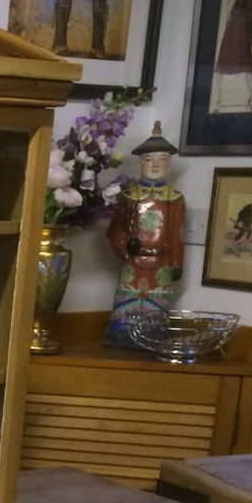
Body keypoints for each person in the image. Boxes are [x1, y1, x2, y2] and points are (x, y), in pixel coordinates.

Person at [104, 123, 185, 347]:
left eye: (162, 158)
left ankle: (154, 332)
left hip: (163, 262)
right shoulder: (128, 196)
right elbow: (114, 229)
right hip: (133, 260)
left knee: (157, 301)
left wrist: (177, 262)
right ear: (140, 163)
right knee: (128, 297)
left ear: (169, 162)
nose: (156, 164)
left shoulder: (174, 198)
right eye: (149, 159)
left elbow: (177, 233)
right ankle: (122, 332)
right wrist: (123, 248)